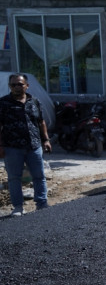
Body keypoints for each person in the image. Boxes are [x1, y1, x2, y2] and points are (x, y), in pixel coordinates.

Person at [0, 73, 52, 216]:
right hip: (12, 147)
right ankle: (18, 207)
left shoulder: (34, 101)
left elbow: (41, 122)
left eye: (20, 84)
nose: (17, 87)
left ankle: (42, 204)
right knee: (14, 177)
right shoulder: (3, 103)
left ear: (27, 86)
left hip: (34, 146)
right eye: (13, 85)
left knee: (39, 176)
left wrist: (46, 140)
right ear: (10, 87)